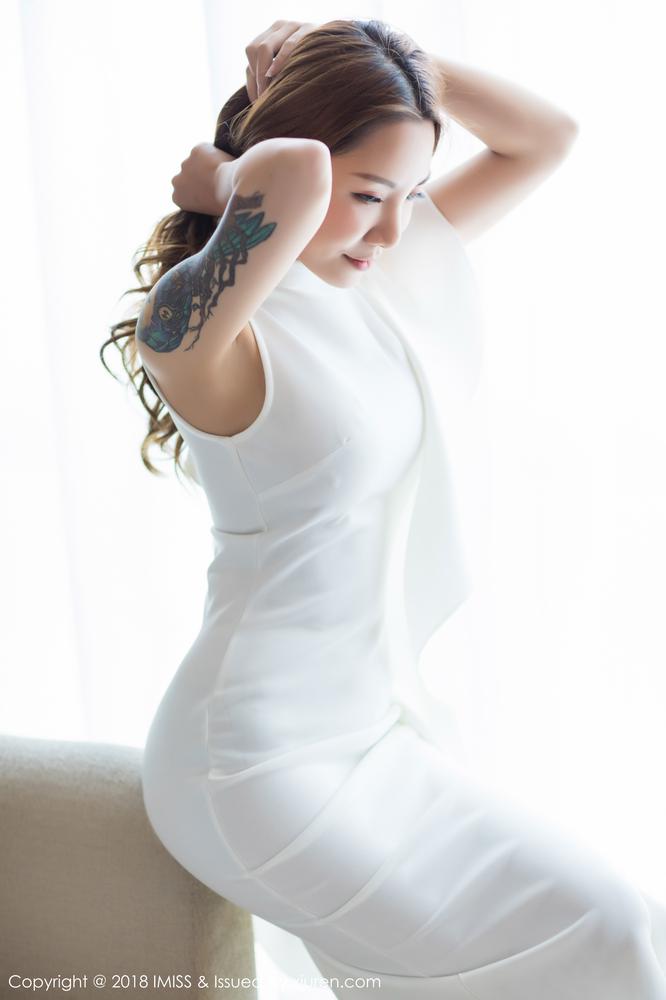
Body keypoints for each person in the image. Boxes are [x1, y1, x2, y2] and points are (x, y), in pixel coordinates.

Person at [102, 17, 666, 999]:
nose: (396, 229)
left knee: (620, 923)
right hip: (251, 766)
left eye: (410, 195)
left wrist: (397, 65)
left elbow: (547, 137)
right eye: (370, 195)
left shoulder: (373, 278)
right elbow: (290, 178)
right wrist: (229, 182)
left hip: (372, 736)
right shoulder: (199, 337)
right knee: (590, 942)